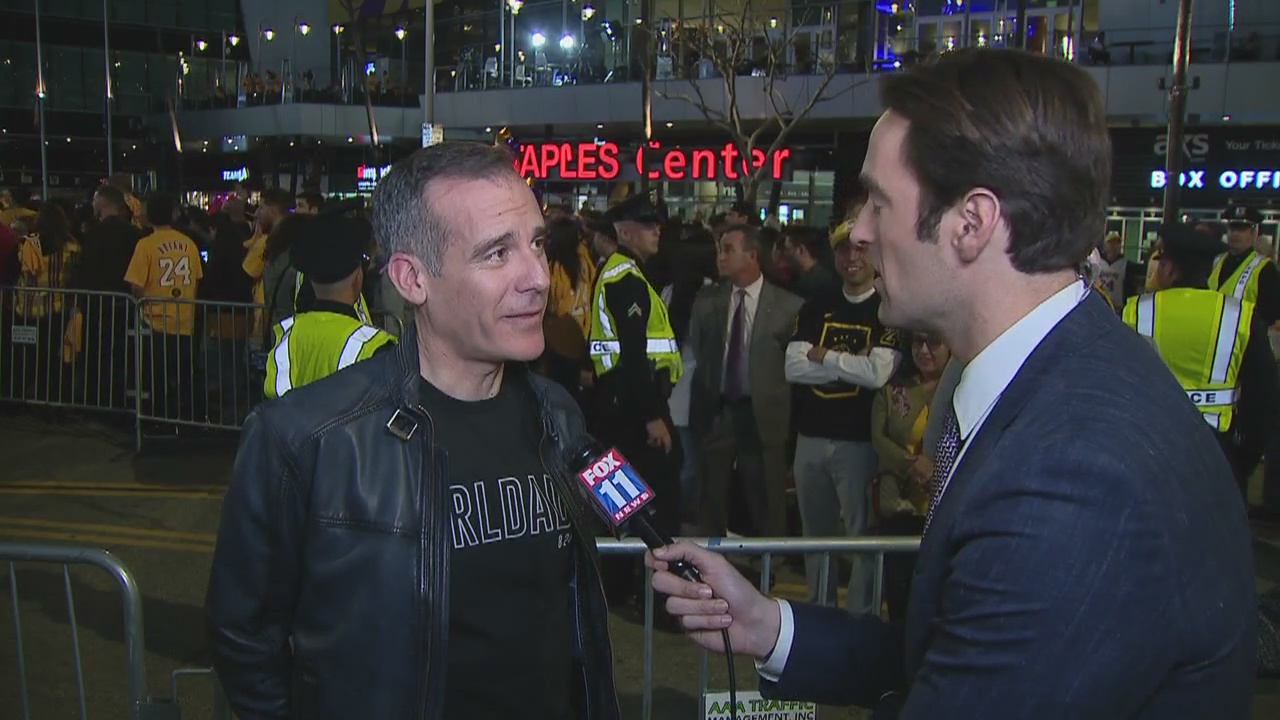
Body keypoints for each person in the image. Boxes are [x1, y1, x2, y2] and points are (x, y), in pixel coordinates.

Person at [647, 48, 1255, 719]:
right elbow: (960, 652)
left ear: (972, 223)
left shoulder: (1074, 475)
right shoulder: (1062, 382)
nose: (860, 231)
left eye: (879, 201)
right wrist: (770, 628)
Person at [206, 141, 620, 720]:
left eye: (536, 243)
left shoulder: (558, 415)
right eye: (497, 254)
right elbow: (244, 637)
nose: (537, 279)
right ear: (412, 278)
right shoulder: (306, 440)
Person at [784, 220, 903, 611]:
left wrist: (827, 356)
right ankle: (820, 612)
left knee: (860, 537)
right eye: (843, 249)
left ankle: (859, 618)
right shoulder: (817, 305)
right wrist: (852, 363)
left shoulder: (888, 310)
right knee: (814, 537)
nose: (852, 257)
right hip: (811, 436)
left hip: (859, 442)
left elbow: (878, 374)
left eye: (861, 249)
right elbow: (793, 367)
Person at [1123, 221, 1277, 497]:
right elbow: (1263, 397)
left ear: (1169, 268)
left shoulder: (1135, 312)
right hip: (1219, 450)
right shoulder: (1242, 316)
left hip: (1148, 450)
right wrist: (1242, 462)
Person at [688, 224, 803, 538]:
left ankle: (770, 563)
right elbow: (699, 348)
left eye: (728, 249)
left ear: (752, 256)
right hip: (718, 408)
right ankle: (710, 561)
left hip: (764, 412)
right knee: (712, 492)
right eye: (720, 249)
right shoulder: (707, 300)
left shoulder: (788, 306)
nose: (721, 257)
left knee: (766, 494)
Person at [263, 216, 396, 399]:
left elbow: (274, 401)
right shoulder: (374, 346)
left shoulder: (287, 336)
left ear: (310, 281)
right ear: (357, 279)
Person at [1210, 203, 1280, 326]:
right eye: (1232, 228)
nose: (1235, 234)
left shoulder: (1265, 269)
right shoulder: (1217, 261)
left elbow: (1271, 316)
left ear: (1253, 233)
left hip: (1246, 340)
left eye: (1242, 229)